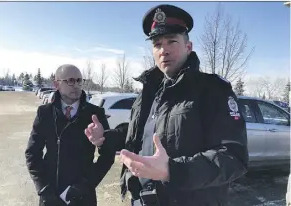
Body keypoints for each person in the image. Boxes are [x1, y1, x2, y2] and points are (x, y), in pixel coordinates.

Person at [86, 4, 249, 206]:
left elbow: (233, 158)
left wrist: (173, 170)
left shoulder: (212, 90)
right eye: (157, 44)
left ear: (188, 47)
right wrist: (105, 137)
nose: (164, 50)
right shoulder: (150, 90)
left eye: (172, 41)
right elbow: (142, 135)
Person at [25, 64, 115, 206]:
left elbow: (108, 155)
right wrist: (43, 188)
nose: (77, 85)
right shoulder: (45, 113)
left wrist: (86, 185)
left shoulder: (95, 114)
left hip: (83, 196)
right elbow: (32, 153)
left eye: (80, 81)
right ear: (57, 84)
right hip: (51, 195)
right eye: (71, 80)